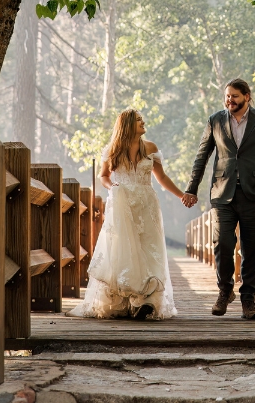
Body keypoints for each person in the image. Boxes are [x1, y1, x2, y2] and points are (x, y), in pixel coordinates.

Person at [68, 108, 184, 320]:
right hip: (122, 204)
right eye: (139, 119)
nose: (143, 121)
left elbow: (162, 178)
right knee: (123, 252)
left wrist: (182, 195)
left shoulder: (150, 147)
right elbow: (103, 176)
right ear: (128, 124)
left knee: (150, 250)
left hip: (146, 205)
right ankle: (124, 301)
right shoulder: (113, 149)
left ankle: (146, 301)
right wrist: (113, 186)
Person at [182, 78, 255, 320]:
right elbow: (202, 156)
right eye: (227, 96)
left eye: (235, 96)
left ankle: (248, 300)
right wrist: (191, 188)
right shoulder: (215, 120)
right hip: (222, 193)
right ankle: (225, 291)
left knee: (252, 249)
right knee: (223, 244)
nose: (230, 100)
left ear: (247, 96)